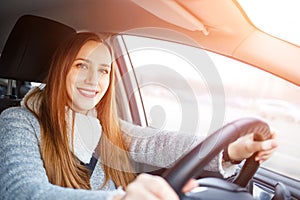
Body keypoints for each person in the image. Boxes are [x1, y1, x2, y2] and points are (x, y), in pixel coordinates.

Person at [0, 32, 278, 200]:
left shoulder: (105, 127)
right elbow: (20, 191)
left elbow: (159, 142)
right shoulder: (18, 121)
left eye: (104, 70)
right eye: (81, 66)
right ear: (61, 70)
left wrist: (230, 150)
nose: (93, 80)